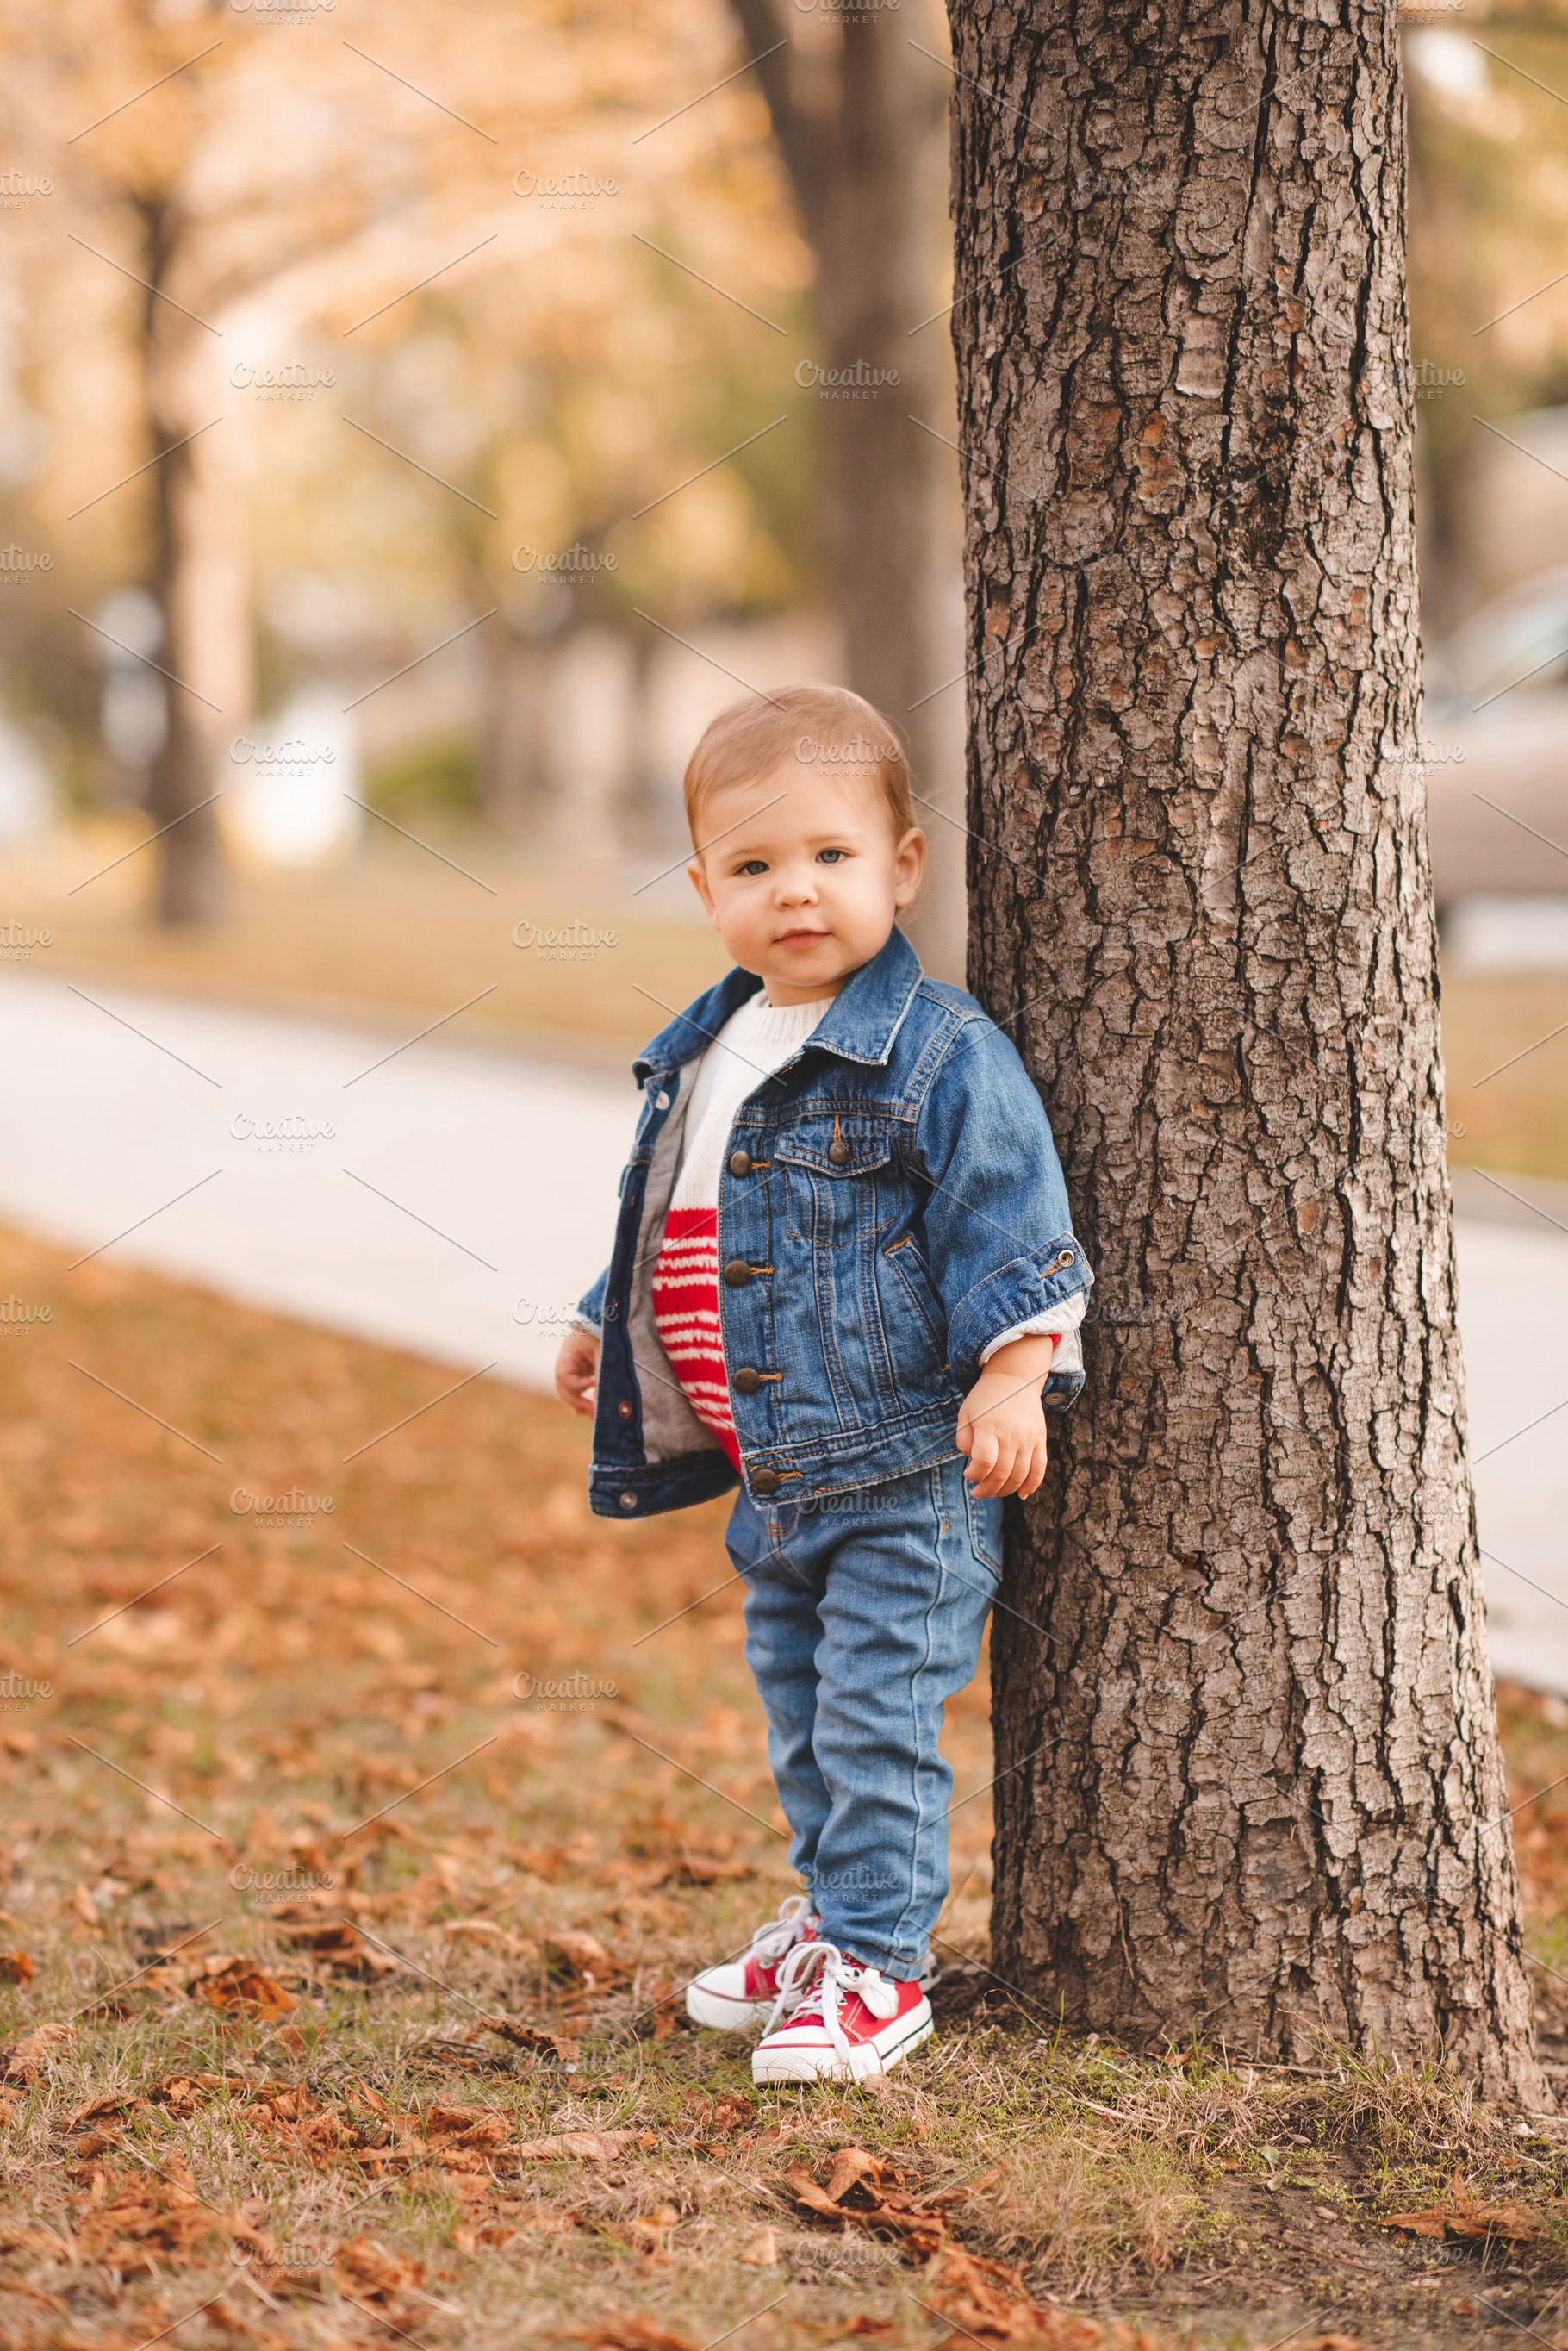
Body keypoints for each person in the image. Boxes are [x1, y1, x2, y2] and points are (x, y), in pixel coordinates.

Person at [554, 683, 1092, 2083]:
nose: (794, 891)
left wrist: (1016, 1374)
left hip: (907, 1476)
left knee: (875, 1721)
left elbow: (1012, 1223)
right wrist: (607, 1317)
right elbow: (685, 1212)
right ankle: (829, 1919)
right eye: (753, 866)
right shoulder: (711, 1047)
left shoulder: (938, 1050)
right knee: (801, 1721)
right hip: (776, 1482)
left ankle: (877, 1968)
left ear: (902, 867)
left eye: (831, 855)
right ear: (704, 891)